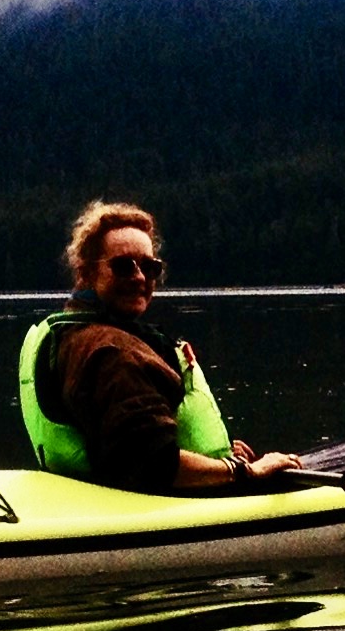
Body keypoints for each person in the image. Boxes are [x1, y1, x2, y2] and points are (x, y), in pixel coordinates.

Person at [17, 200, 301, 493]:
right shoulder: (113, 354)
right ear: (87, 273)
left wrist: (217, 454)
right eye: (123, 266)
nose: (139, 277)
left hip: (96, 495)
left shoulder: (74, 334)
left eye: (149, 267)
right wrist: (246, 472)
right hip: (166, 501)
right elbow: (156, 465)